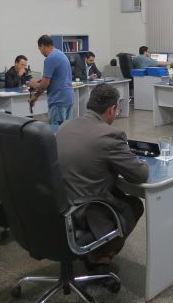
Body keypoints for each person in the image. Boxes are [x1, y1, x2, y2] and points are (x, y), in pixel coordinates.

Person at [56, 83, 148, 270]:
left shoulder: (65, 126)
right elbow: (140, 174)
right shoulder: (111, 135)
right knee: (135, 205)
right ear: (112, 109)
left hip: (59, 207)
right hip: (86, 211)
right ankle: (99, 257)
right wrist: (140, 161)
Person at [28, 35, 75, 132]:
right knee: (67, 131)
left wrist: (33, 84)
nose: (41, 52)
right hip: (68, 98)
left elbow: (44, 85)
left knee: (56, 132)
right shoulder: (61, 54)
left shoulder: (50, 58)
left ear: (42, 46)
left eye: (39, 49)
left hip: (58, 100)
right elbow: (49, 82)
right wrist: (36, 96)